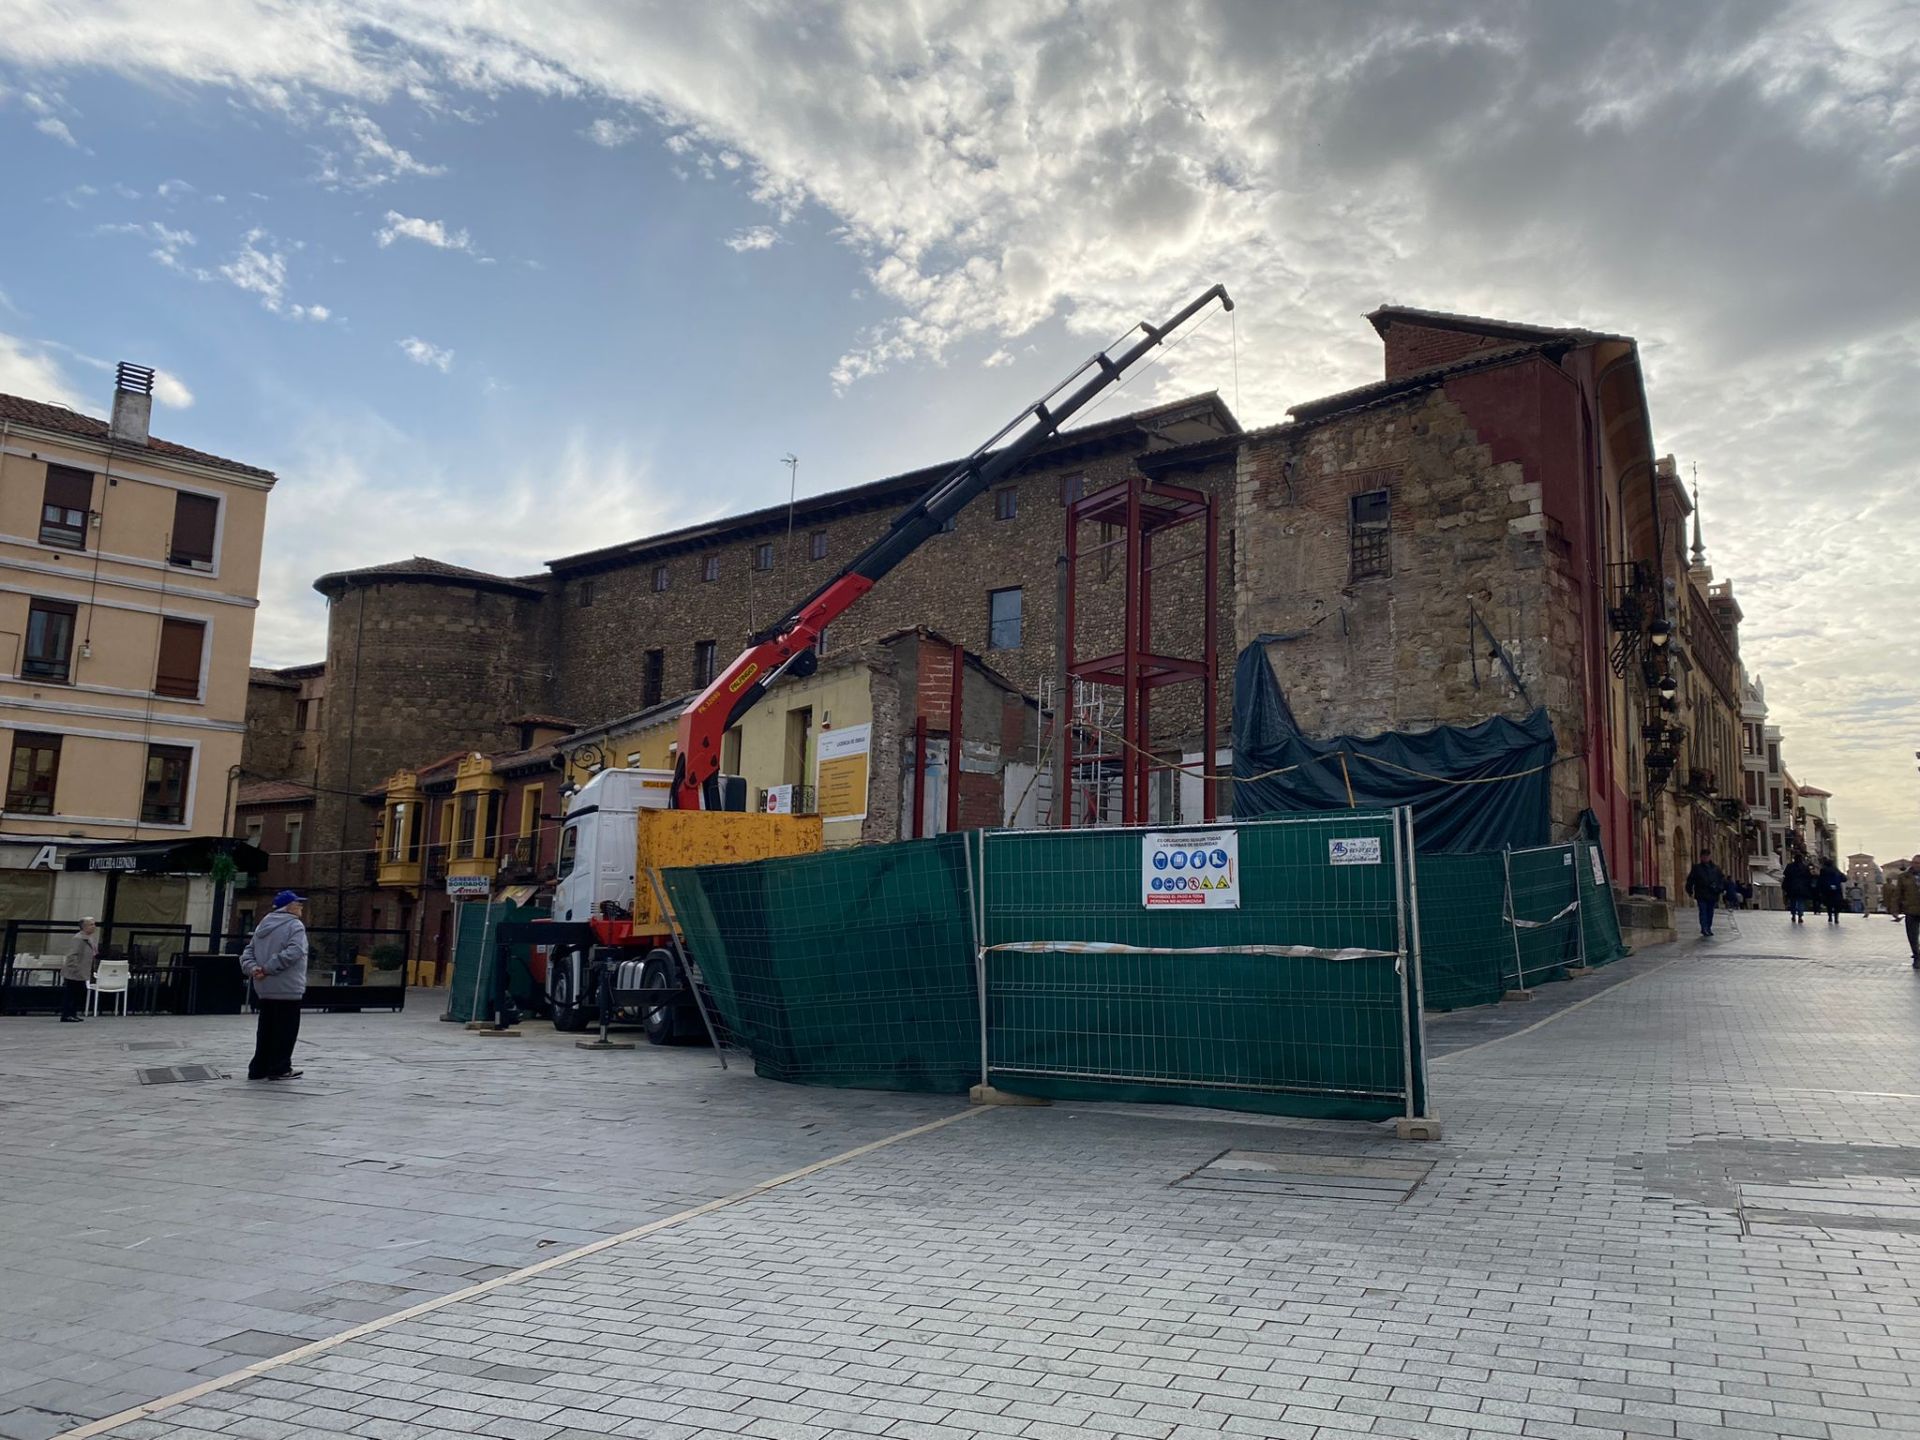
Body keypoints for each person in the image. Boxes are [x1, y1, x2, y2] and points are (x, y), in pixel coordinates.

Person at [241, 891, 309, 1081]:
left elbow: (247, 952)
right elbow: (295, 951)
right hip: (287, 987)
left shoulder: (263, 924)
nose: (301, 906)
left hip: (264, 987)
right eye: (298, 903)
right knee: (286, 1029)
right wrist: (268, 968)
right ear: (288, 907)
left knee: (266, 1029)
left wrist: (254, 969)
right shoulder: (294, 925)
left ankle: (258, 1068)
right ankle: (279, 1067)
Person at [58, 917, 98, 1023]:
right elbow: (72, 954)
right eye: (91, 924)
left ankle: (73, 1013)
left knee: (78, 993)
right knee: (71, 992)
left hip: (83, 970)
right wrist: (75, 967)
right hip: (74, 971)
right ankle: (67, 1014)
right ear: (84, 927)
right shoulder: (78, 938)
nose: (94, 926)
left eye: (94, 924)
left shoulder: (90, 938)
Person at [1684, 848, 1726, 938]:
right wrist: (1689, 890)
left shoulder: (1716, 868)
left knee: (1710, 912)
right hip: (1701, 893)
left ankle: (1708, 927)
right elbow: (1691, 880)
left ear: (1710, 857)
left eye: (1707, 856)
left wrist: (1719, 888)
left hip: (1712, 894)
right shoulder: (1697, 868)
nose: (1705, 858)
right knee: (1703, 911)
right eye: (1703, 856)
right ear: (1701, 857)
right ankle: (1704, 928)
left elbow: (1721, 880)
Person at [1895, 858, 1920, 970]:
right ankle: (1917, 956)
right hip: (1911, 910)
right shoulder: (1904, 877)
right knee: (1912, 936)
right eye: (1914, 863)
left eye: (1918, 863)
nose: (1916, 865)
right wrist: (1895, 910)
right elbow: (1898, 893)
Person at [1783, 856, 1813, 925]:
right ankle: (1800, 916)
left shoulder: (1790, 866)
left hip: (1792, 887)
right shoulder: (1804, 867)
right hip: (1802, 887)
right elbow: (1809, 877)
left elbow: (1786, 875)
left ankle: (1793, 915)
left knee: (1793, 901)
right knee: (1800, 901)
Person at [1816, 858, 1847, 926]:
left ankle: (1830, 917)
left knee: (1829, 904)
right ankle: (1836, 918)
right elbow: (1844, 879)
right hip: (1837, 890)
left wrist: (1819, 889)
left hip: (1827, 890)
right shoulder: (1836, 870)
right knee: (1837, 904)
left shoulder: (1823, 870)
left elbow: (1820, 880)